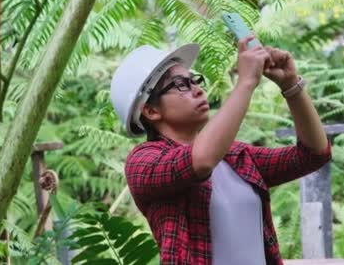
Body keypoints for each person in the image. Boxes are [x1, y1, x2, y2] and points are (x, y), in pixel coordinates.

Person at [110, 36, 331, 265]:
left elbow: (313, 154)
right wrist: (246, 82)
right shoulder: (143, 162)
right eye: (181, 85)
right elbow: (200, 161)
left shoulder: (236, 156)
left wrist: (291, 86)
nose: (197, 91)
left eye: (194, 81)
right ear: (151, 111)